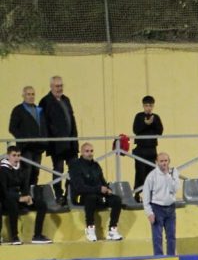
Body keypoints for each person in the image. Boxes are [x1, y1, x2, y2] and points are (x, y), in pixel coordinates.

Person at [68, 142, 123, 242]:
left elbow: (102, 181)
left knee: (116, 199)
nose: (90, 153)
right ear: (81, 152)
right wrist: (98, 189)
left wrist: (108, 189)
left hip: (98, 195)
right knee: (91, 197)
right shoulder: (76, 166)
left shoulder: (96, 165)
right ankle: (90, 228)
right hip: (82, 196)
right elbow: (79, 187)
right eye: (87, 151)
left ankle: (112, 229)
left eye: (91, 151)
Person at [38, 75, 79, 203]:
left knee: (74, 169)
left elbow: (71, 120)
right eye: (57, 86)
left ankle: (70, 194)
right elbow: (43, 123)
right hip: (57, 143)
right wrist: (47, 141)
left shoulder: (66, 99)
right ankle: (59, 195)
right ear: (51, 86)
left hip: (71, 142)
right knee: (58, 169)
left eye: (61, 86)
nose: (59, 88)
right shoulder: (45, 101)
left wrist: (75, 139)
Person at [0, 145, 51, 245]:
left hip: (19, 197)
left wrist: (27, 196)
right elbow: (3, 191)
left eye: (18, 155)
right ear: (8, 156)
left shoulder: (22, 168)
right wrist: (19, 198)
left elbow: (25, 186)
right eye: (14, 155)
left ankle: (37, 235)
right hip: (5, 199)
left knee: (41, 205)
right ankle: (14, 237)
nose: (16, 158)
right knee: (13, 205)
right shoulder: (2, 169)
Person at [141, 151, 180, 255]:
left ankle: (171, 257)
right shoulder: (151, 176)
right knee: (157, 237)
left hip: (171, 208)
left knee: (171, 236)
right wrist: (149, 213)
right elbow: (146, 196)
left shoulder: (173, 172)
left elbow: (175, 189)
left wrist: (168, 176)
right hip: (157, 208)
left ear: (169, 161)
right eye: (161, 161)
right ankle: (158, 259)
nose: (164, 163)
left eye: (166, 161)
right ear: (157, 162)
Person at [8, 85, 47, 187]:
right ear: (23, 95)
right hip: (26, 147)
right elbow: (12, 128)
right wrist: (23, 139)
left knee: (35, 171)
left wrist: (45, 140)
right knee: (26, 170)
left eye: (33, 94)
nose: (31, 96)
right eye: (28, 94)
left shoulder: (39, 110)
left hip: (38, 147)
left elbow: (44, 126)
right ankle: (25, 192)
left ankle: (33, 192)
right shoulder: (18, 110)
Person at [131, 96, 164, 199]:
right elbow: (135, 130)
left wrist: (152, 123)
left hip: (151, 148)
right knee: (140, 173)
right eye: (146, 105)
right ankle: (138, 194)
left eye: (150, 105)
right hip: (140, 148)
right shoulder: (139, 116)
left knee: (152, 172)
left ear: (153, 106)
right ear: (143, 106)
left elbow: (160, 131)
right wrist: (145, 124)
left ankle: (152, 195)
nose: (148, 108)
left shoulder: (156, 117)